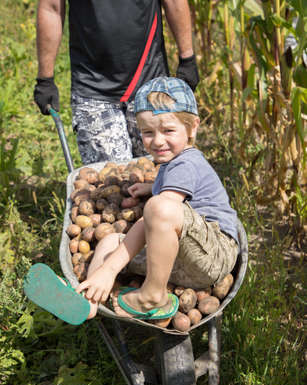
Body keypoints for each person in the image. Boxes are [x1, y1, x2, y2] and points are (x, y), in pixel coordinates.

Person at [24, 76, 238, 325]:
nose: (157, 141)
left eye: (168, 131)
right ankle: (89, 301)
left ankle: (153, 296)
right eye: (147, 132)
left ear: (193, 128)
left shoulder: (187, 163)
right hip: (184, 264)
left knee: (157, 208)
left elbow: (161, 211)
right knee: (108, 242)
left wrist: (110, 269)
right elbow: (168, 201)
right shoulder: (171, 165)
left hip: (214, 253)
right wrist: (151, 186)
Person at [33, 0, 199, 165]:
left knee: (160, 169)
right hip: (92, 87)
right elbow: (51, 8)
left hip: (149, 83)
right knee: (112, 178)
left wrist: (187, 58)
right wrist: (45, 79)